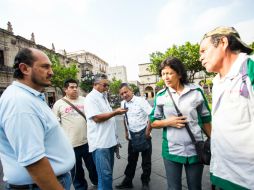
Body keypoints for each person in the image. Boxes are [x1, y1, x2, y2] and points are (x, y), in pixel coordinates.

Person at [0, 48, 75, 190]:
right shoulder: (20, 102)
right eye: (45, 66)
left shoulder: (29, 97)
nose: (51, 72)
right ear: (24, 69)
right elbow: (34, 162)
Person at [199, 26, 254, 189]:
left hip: (245, 181)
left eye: (203, 50)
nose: (200, 58)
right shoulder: (217, 82)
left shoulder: (249, 70)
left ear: (223, 42)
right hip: (221, 175)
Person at [149, 57, 212, 190]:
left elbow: (206, 119)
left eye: (170, 73)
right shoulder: (161, 96)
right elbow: (153, 122)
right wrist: (168, 122)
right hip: (171, 150)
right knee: (173, 187)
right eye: (163, 74)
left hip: (196, 149)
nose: (166, 77)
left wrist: (214, 141)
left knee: (195, 187)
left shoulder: (196, 92)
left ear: (179, 73)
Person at [52, 78, 98, 190]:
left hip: (89, 142)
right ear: (65, 89)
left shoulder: (85, 100)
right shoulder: (59, 104)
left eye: (76, 87)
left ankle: (97, 183)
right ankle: (81, 188)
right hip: (71, 145)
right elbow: (55, 125)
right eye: (71, 87)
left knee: (93, 167)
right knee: (77, 172)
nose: (75, 89)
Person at [84, 74, 127, 190]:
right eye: (105, 85)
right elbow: (97, 118)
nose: (107, 87)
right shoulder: (90, 98)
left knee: (107, 175)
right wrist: (115, 112)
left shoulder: (103, 97)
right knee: (105, 176)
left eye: (108, 85)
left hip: (109, 143)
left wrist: (116, 140)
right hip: (100, 145)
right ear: (95, 84)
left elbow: (109, 121)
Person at [116, 83, 152, 190]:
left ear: (131, 90)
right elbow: (124, 118)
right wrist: (126, 132)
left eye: (126, 92)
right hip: (132, 136)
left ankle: (145, 181)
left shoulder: (141, 101)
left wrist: (148, 131)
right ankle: (128, 181)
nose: (124, 95)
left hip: (144, 135)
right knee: (131, 160)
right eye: (122, 94)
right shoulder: (123, 104)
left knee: (146, 161)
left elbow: (152, 114)